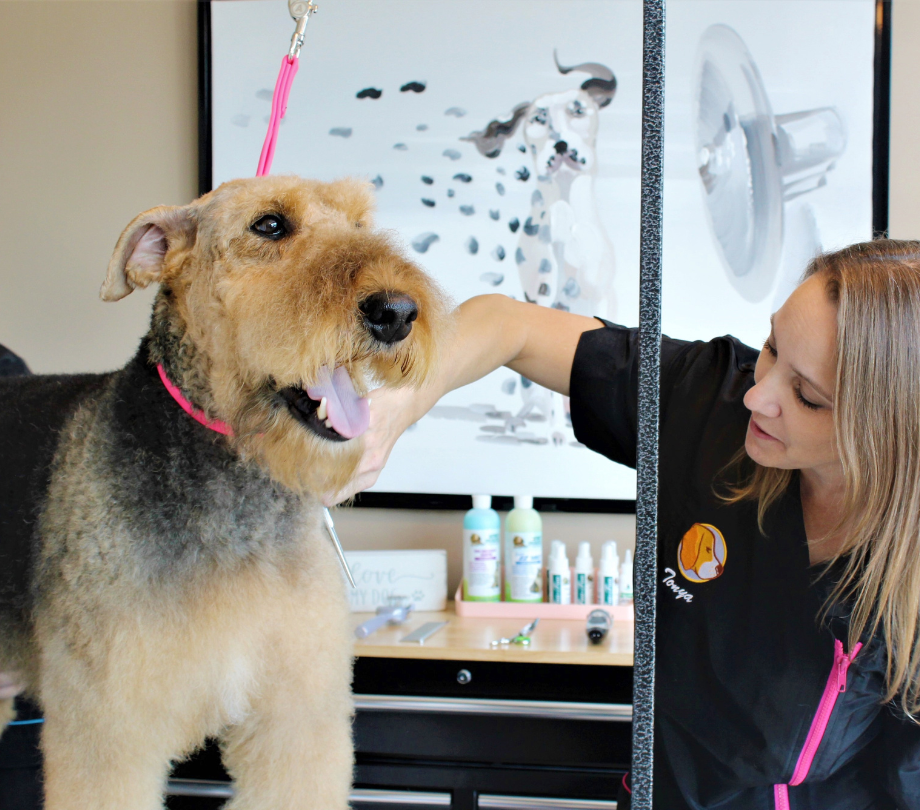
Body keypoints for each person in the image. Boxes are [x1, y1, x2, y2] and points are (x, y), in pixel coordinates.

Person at [328, 240, 920, 809]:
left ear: (886, 428)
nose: (757, 397)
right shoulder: (713, 400)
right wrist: (397, 408)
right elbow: (508, 324)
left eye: (807, 396)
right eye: (771, 349)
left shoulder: (904, 586)